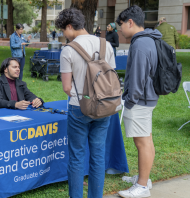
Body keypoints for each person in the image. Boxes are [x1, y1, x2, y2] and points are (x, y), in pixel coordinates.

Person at [55, 8, 116, 198]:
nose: (63, 35)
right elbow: (111, 79)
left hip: (79, 106)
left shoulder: (68, 50)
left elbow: (66, 87)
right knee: (98, 156)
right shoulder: (107, 45)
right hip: (104, 106)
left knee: (76, 156)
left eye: (63, 30)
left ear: (70, 26)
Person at [116, 5, 161, 197]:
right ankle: (145, 178)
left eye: (120, 26)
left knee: (142, 142)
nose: (119, 30)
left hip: (139, 100)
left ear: (130, 22)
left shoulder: (140, 44)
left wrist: (128, 101)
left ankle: (142, 186)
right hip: (147, 97)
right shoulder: (149, 39)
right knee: (147, 139)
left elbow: (138, 77)